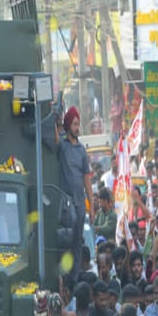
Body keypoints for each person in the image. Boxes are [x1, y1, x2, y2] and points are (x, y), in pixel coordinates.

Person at [57, 107, 90, 271]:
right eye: (75, 124)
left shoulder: (82, 150)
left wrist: (91, 201)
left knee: (78, 240)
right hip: (66, 201)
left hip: (80, 202)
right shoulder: (62, 145)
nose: (77, 128)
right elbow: (54, 140)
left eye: (79, 124)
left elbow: (86, 177)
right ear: (68, 125)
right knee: (70, 232)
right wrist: (56, 120)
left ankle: (76, 274)